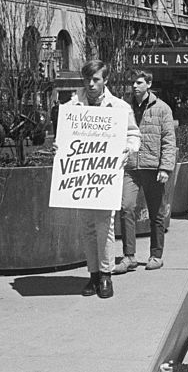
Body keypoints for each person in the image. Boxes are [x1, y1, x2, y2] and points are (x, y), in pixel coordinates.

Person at [71, 60, 140, 299]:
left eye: (96, 79)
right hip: (82, 175)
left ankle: (106, 275)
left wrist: (127, 150)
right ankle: (92, 275)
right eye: (87, 79)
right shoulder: (73, 106)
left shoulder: (119, 107)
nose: (91, 84)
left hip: (106, 175)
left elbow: (134, 135)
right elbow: (65, 135)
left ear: (105, 80)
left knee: (105, 226)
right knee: (87, 227)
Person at [113, 70, 176, 274]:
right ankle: (129, 256)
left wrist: (165, 167)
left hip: (152, 167)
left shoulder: (162, 109)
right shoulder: (124, 108)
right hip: (130, 166)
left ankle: (156, 255)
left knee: (156, 213)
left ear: (149, 83)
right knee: (126, 208)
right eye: (133, 82)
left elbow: (168, 140)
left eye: (139, 82)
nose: (134, 86)